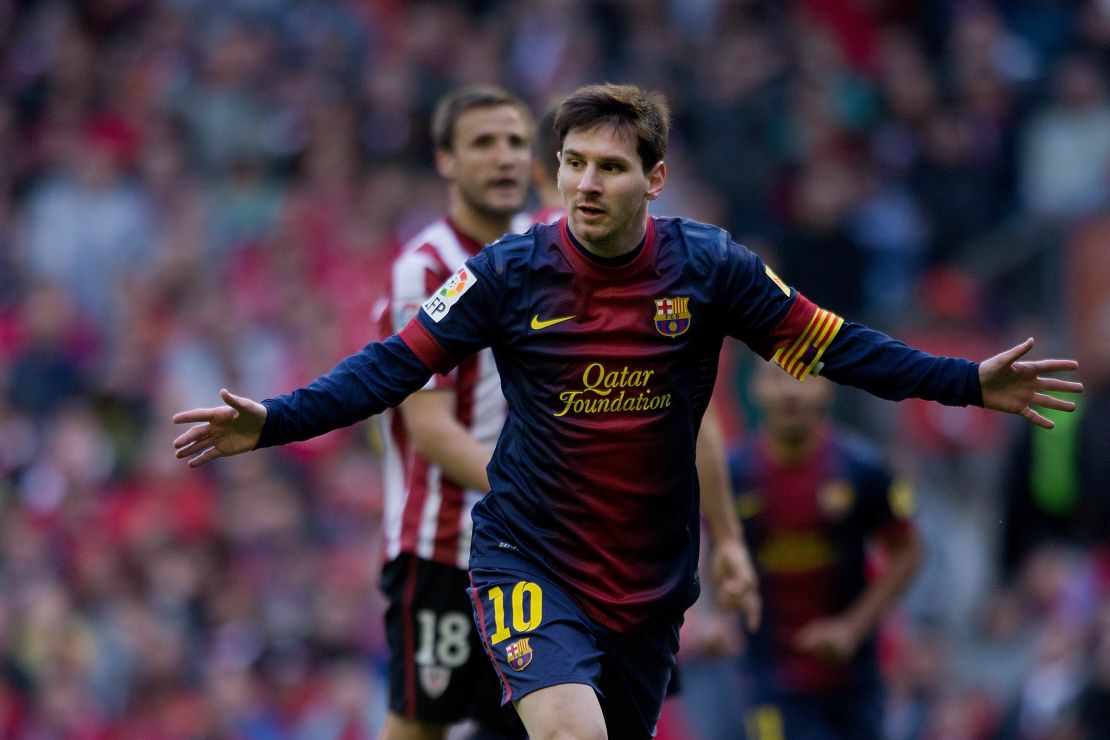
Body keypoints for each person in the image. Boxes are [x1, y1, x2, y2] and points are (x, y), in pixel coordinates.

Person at [172, 84, 1081, 740]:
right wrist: (275, 420)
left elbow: (834, 346)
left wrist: (967, 382)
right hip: (528, 554)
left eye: (611, 167)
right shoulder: (507, 273)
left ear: (655, 177)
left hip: (648, 582)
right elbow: (390, 369)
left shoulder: (711, 267)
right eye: (572, 164)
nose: (586, 184)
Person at [373, 85, 533, 740]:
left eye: (517, 142)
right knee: (422, 726)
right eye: (483, 143)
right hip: (446, 548)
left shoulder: (550, 251)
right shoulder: (426, 268)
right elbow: (431, 428)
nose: (505, 159)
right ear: (445, 160)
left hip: (532, 546)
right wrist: (538, 493)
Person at [730, 361, 923, 740]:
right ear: (754, 389)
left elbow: (909, 552)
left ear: (828, 387)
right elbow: (710, 550)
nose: (790, 392)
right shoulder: (734, 475)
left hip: (854, 679)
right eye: (776, 378)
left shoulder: (862, 469)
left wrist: (852, 627)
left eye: (803, 377)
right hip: (770, 677)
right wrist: (716, 616)